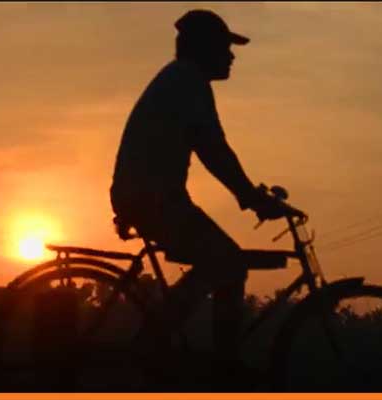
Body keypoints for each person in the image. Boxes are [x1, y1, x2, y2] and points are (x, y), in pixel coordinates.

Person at [109, 9, 286, 386]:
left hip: (147, 195)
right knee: (229, 262)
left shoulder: (179, 79)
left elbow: (212, 150)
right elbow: (213, 150)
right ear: (204, 49)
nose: (231, 56)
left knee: (219, 260)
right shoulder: (188, 83)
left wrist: (248, 195)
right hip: (155, 199)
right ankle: (213, 362)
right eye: (224, 48)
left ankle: (167, 343)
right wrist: (252, 198)